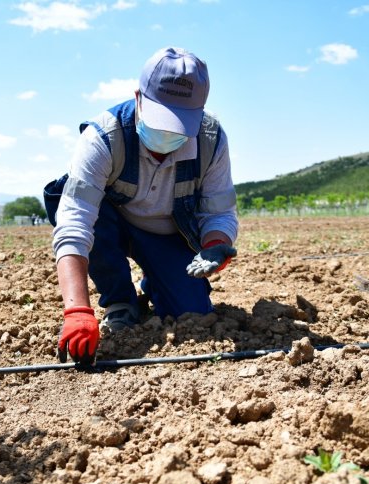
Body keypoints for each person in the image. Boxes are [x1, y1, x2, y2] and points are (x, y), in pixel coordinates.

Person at [45, 47, 239, 365]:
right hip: (109, 224)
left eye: (179, 126)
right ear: (138, 97)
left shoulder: (211, 139)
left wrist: (216, 243)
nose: (167, 134)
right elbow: (75, 218)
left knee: (192, 313)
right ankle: (121, 303)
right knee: (74, 205)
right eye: (161, 120)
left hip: (165, 232)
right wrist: (77, 309)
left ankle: (157, 282)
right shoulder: (103, 137)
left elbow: (219, 212)